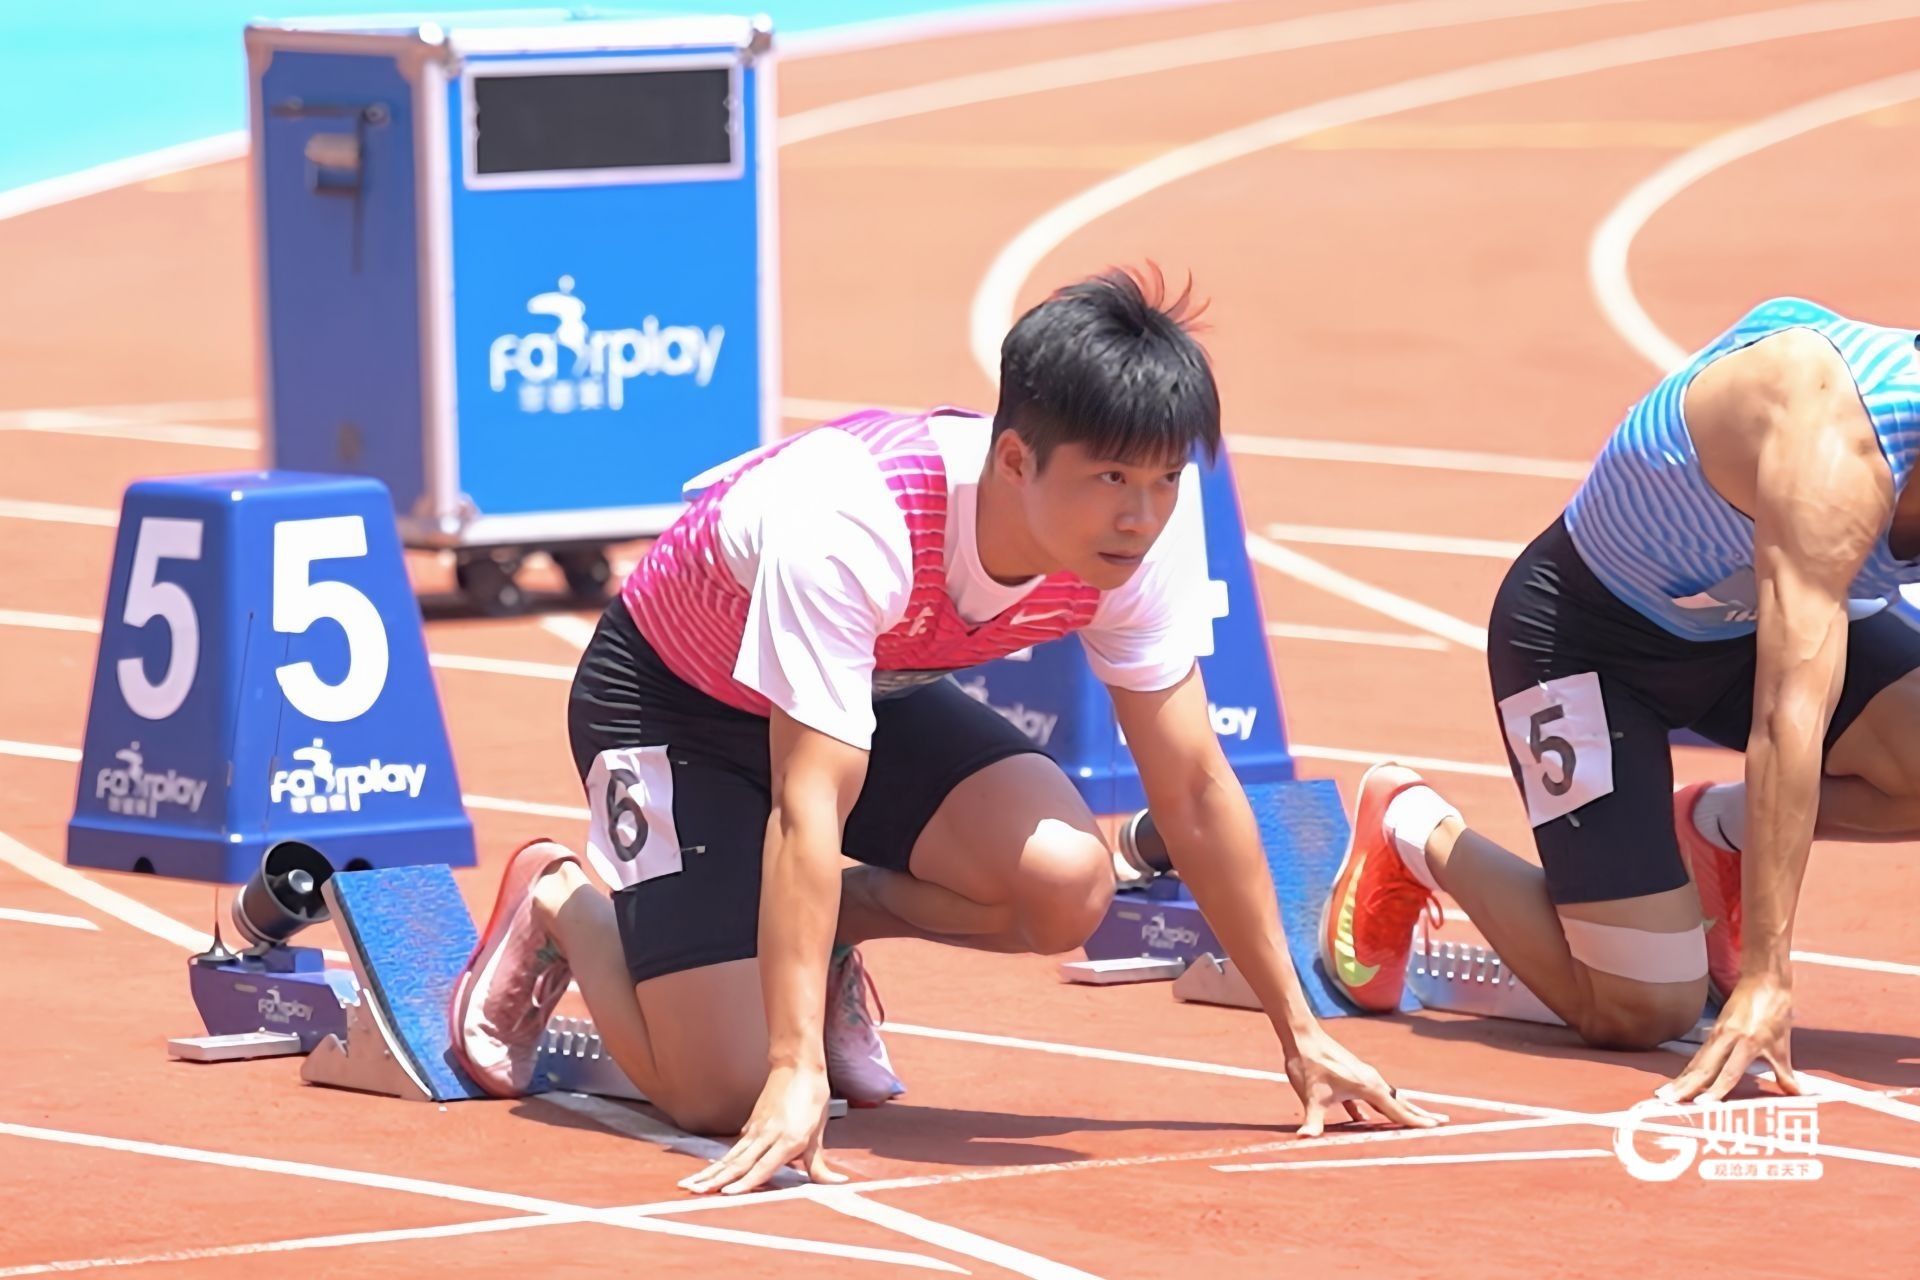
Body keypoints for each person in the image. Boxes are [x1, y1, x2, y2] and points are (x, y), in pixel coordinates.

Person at [448, 268, 1441, 1196]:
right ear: (1016, 458)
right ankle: (563, 901)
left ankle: (824, 926)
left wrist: (1298, 1028)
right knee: (720, 1092)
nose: (1142, 516)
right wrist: (795, 1069)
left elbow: (1192, 785)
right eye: (1110, 480)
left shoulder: (1149, 533)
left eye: (1165, 481)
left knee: (1067, 884)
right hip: (676, 703)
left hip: (865, 688)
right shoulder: (854, 519)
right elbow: (807, 805)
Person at [1321, 296, 1920, 1104]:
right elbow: (1786, 722)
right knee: (1643, 1009)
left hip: (1741, 623)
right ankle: (1412, 829)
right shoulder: (1835, 448)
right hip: (1586, 640)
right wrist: (1766, 978)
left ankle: (1717, 834)